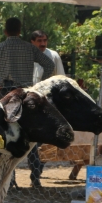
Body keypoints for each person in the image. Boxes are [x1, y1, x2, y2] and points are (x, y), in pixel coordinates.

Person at [28, 30, 66, 187]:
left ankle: (36, 173)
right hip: (30, 107)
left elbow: (61, 79)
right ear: (32, 42)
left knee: (46, 143)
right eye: (39, 40)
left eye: (44, 40)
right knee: (31, 145)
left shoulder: (53, 56)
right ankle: (35, 176)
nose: (42, 44)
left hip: (48, 107)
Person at [0, 18, 54, 89]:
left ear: (5, 32)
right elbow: (50, 65)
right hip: (25, 92)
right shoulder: (30, 48)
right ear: (19, 32)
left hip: (4, 92)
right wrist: (41, 84)